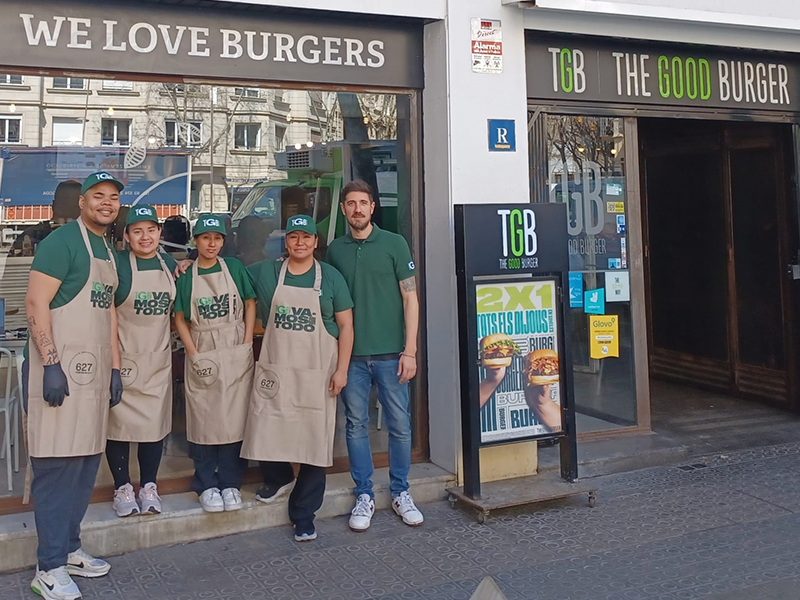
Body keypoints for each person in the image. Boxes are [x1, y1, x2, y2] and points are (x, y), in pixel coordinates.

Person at [23, 171, 124, 600]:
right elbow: (35, 301)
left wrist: (116, 369)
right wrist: (50, 363)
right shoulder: (60, 243)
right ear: (81, 203)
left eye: (113, 197)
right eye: (97, 196)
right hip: (60, 374)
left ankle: (69, 549)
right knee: (56, 470)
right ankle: (48, 568)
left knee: (84, 467)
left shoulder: (107, 248)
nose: (106, 202)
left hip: (94, 376)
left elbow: (110, 315)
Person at [241, 215, 354, 542]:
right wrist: (188, 262)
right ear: (286, 242)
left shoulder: (330, 278)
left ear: (315, 243)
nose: (300, 243)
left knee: (313, 439)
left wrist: (342, 370)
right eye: (294, 237)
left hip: (318, 371)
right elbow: (229, 274)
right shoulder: (268, 272)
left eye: (307, 237)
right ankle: (276, 477)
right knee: (268, 423)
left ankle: (304, 514)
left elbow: (346, 326)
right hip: (278, 369)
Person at [326, 180, 422, 532]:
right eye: (351, 203)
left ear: (372, 207)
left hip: (392, 353)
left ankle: (400, 491)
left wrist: (410, 350)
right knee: (355, 426)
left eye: (363, 203)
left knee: (399, 425)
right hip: (351, 357)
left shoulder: (395, 244)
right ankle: (364, 494)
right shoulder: (335, 250)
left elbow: (410, 299)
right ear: (343, 210)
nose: (357, 209)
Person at [173, 214, 256, 513]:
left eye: (217, 238)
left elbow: (249, 302)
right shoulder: (187, 275)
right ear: (196, 241)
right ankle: (206, 484)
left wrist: (246, 341)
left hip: (235, 345)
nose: (212, 243)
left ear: (224, 241)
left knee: (235, 418)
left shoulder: (233, 268)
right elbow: (179, 317)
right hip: (203, 346)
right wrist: (193, 352)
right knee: (204, 418)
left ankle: (231, 482)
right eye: (206, 237)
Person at [105, 205, 180, 518]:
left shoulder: (171, 264)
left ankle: (149, 485)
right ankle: (122, 486)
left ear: (160, 234)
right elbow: (106, 317)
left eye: (151, 230)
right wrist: (112, 366)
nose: (145, 237)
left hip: (158, 360)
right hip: (124, 357)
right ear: (126, 236)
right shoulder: (118, 265)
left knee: (154, 427)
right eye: (137, 231)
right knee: (117, 428)